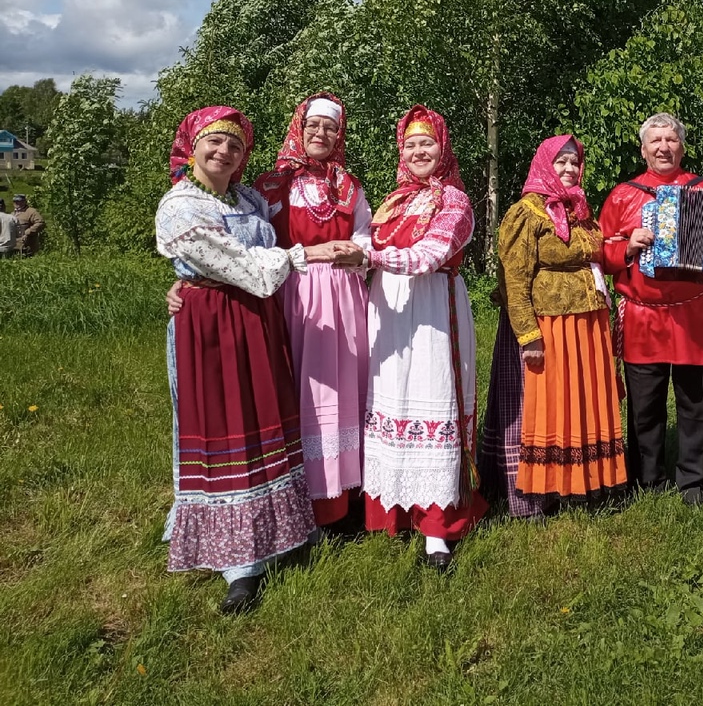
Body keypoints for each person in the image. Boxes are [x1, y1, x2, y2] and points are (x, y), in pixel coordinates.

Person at [154, 107, 322, 614]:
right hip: (211, 323)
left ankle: (284, 532)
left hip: (257, 321)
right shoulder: (179, 207)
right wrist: (299, 258)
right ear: (192, 147)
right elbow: (251, 268)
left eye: (234, 146)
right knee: (225, 423)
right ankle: (239, 566)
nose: (224, 152)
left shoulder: (245, 198)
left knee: (266, 419)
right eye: (215, 143)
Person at [362, 105, 486, 569]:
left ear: (443, 149)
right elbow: (372, 252)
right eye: (410, 145)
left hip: (433, 306)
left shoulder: (454, 201)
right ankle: (393, 511)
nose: (418, 151)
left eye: (427, 144)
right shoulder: (392, 201)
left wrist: (367, 253)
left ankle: (438, 529)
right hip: (389, 309)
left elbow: (428, 255)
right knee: (392, 397)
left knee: (433, 397)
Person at [480, 134, 627, 517]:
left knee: (585, 401)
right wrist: (528, 335)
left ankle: (587, 483)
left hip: (588, 322)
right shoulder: (527, 212)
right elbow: (514, 277)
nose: (568, 169)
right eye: (560, 161)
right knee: (554, 405)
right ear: (544, 163)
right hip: (552, 323)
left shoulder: (579, 209)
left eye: (574, 163)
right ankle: (550, 486)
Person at [598, 113, 703, 506]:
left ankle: (695, 481)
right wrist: (627, 246)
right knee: (645, 404)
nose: (663, 147)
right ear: (643, 149)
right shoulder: (623, 195)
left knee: (697, 403)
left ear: (682, 147)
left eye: (671, 140)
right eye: (655, 141)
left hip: (695, 312)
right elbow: (597, 252)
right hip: (643, 314)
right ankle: (646, 477)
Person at [254, 94, 371, 531]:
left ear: (339, 135)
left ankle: (350, 495)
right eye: (313, 126)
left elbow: (366, 236)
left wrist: (359, 254)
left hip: (345, 295)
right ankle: (308, 499)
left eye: (329, 128)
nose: (320, 134)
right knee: (308, 392)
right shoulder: (271, 185)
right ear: (298, 128)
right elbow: (253, 243)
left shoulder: (350, 186)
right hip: (296, 294)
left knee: (348, 387)